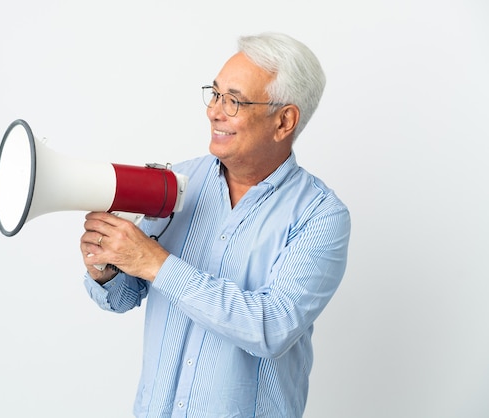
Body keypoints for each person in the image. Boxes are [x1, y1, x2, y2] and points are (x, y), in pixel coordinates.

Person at [80, 32, 351, 418]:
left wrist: (155, 262)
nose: (214, 112)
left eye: (234, 101)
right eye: (215, 93)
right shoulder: (175, 184)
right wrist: (105, 267)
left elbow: (271, 328)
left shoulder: (321, 216)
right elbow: (126, 295)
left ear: (284, 121)